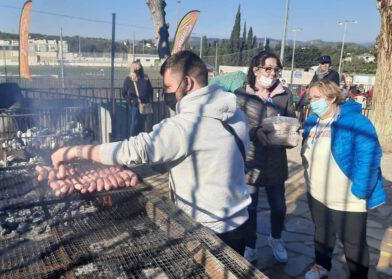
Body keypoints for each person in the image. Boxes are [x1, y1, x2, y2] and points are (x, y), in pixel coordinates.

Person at [51, 50, 251, 256]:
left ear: (188, 83)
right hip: (239, 221)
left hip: (208, 228)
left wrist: (74, 151)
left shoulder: (186, 125)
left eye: (168, 87)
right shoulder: (235, 112)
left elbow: (133, 149)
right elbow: (214, 157)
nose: (165, 94)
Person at [301, 80, 386, 279]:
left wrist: (360, 191)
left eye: (316, 98)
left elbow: (370, 156)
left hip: (348, 198)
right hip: (317, 193)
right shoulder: (312, 121)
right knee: (322, 233)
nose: (311, 102)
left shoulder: (356, 122)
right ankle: (322, 265)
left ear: (331, 98)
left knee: (353, 243)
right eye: (310, 97)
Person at [234, 51, 296, 263]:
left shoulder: (285, 95)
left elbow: (292, 121)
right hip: (250, 161)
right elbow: (237, 126)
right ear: (255, 69)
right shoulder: (241, 94)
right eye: (267, 68)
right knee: (249, 207)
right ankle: (250, 244)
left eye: (276, 69)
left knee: (278, 206)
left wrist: (292, 134)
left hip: (276, 160)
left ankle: (276, 238)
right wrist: (254, 132)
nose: (272, 73)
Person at [121, 61, 154, 136]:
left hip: (145, 103)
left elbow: (150, 89)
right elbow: (124, 93)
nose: (137, 69)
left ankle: (141, 138)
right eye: (135, 67)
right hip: (134, 105)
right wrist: (131, 101)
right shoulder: (129, 79)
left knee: (144, 122)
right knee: (134, 123)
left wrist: (150, 100)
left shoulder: (145, 77)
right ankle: (132, 139)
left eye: (139, 67)